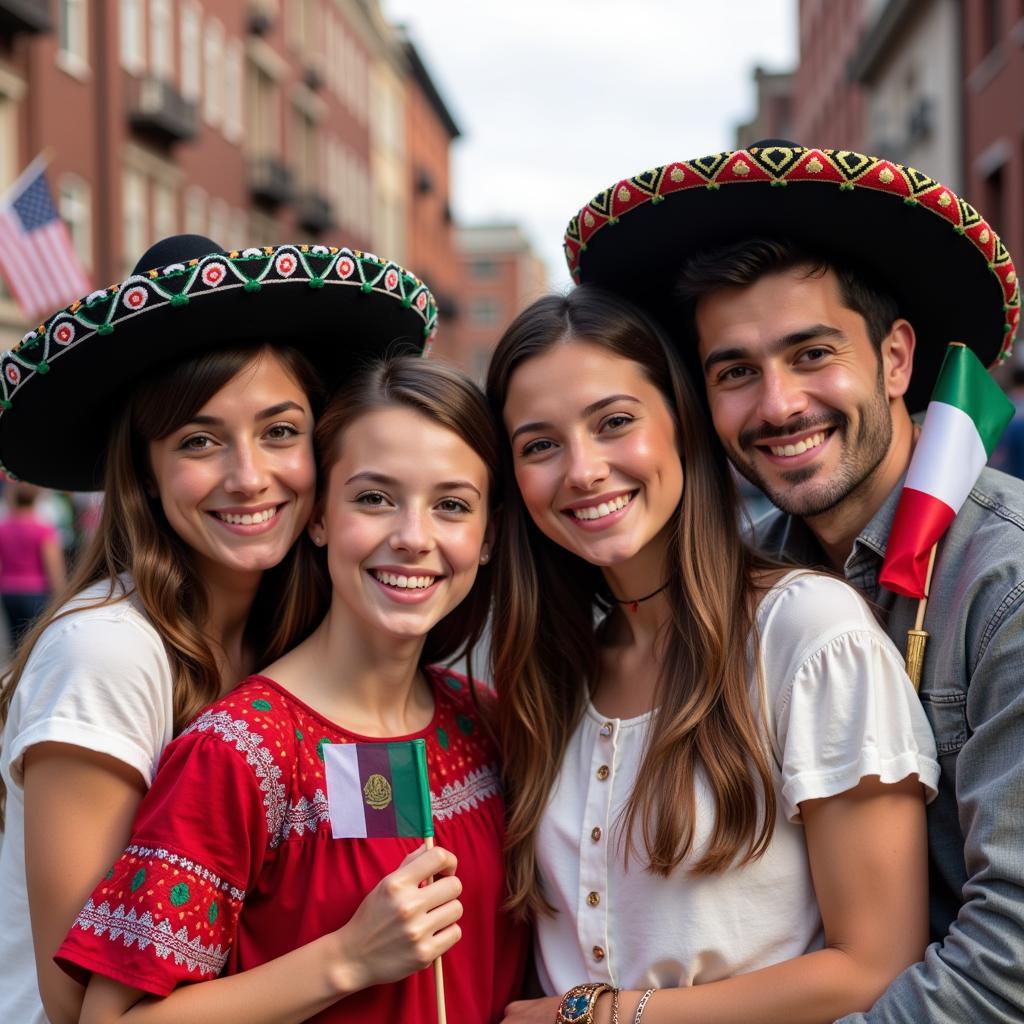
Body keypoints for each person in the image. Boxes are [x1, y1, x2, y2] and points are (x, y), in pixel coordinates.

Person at [564, 142, 1024, 1021]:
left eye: (812, 354)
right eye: (736, 371)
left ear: (895, 360)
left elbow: (1007, 968)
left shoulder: (1006, 587)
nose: (777, 405)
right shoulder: (730, 582)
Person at [0, 234, 439, 1024]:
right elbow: (74, 998)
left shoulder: (307, 636)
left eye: (279, 431)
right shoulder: (105, 652)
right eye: (199, 441)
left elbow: (368, 856)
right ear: (144, 470)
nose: (248, 476)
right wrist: (346, 958)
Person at [486, 285, 938, 1024]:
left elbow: (875, 964)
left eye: (615, 423)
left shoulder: (808, 633)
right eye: (540, 445)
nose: (583, 470)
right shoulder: (551, 674)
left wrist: (597, 1016)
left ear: (683, 425)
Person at [55, 357, 527, 1023]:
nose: (413, 537)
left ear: (489, 536)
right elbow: (110, 1019)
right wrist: (347, 959)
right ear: (319, 517)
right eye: (373, 498)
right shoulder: (240, 751)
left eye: (451, 506)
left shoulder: (485, 721)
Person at [0, 482, 67, 643]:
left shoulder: (3, 528)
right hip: (36, 591)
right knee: (35, 642)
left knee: (15, 643)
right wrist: (61, 595)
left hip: (9, 590)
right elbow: (54, 567)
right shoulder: (43, 529)